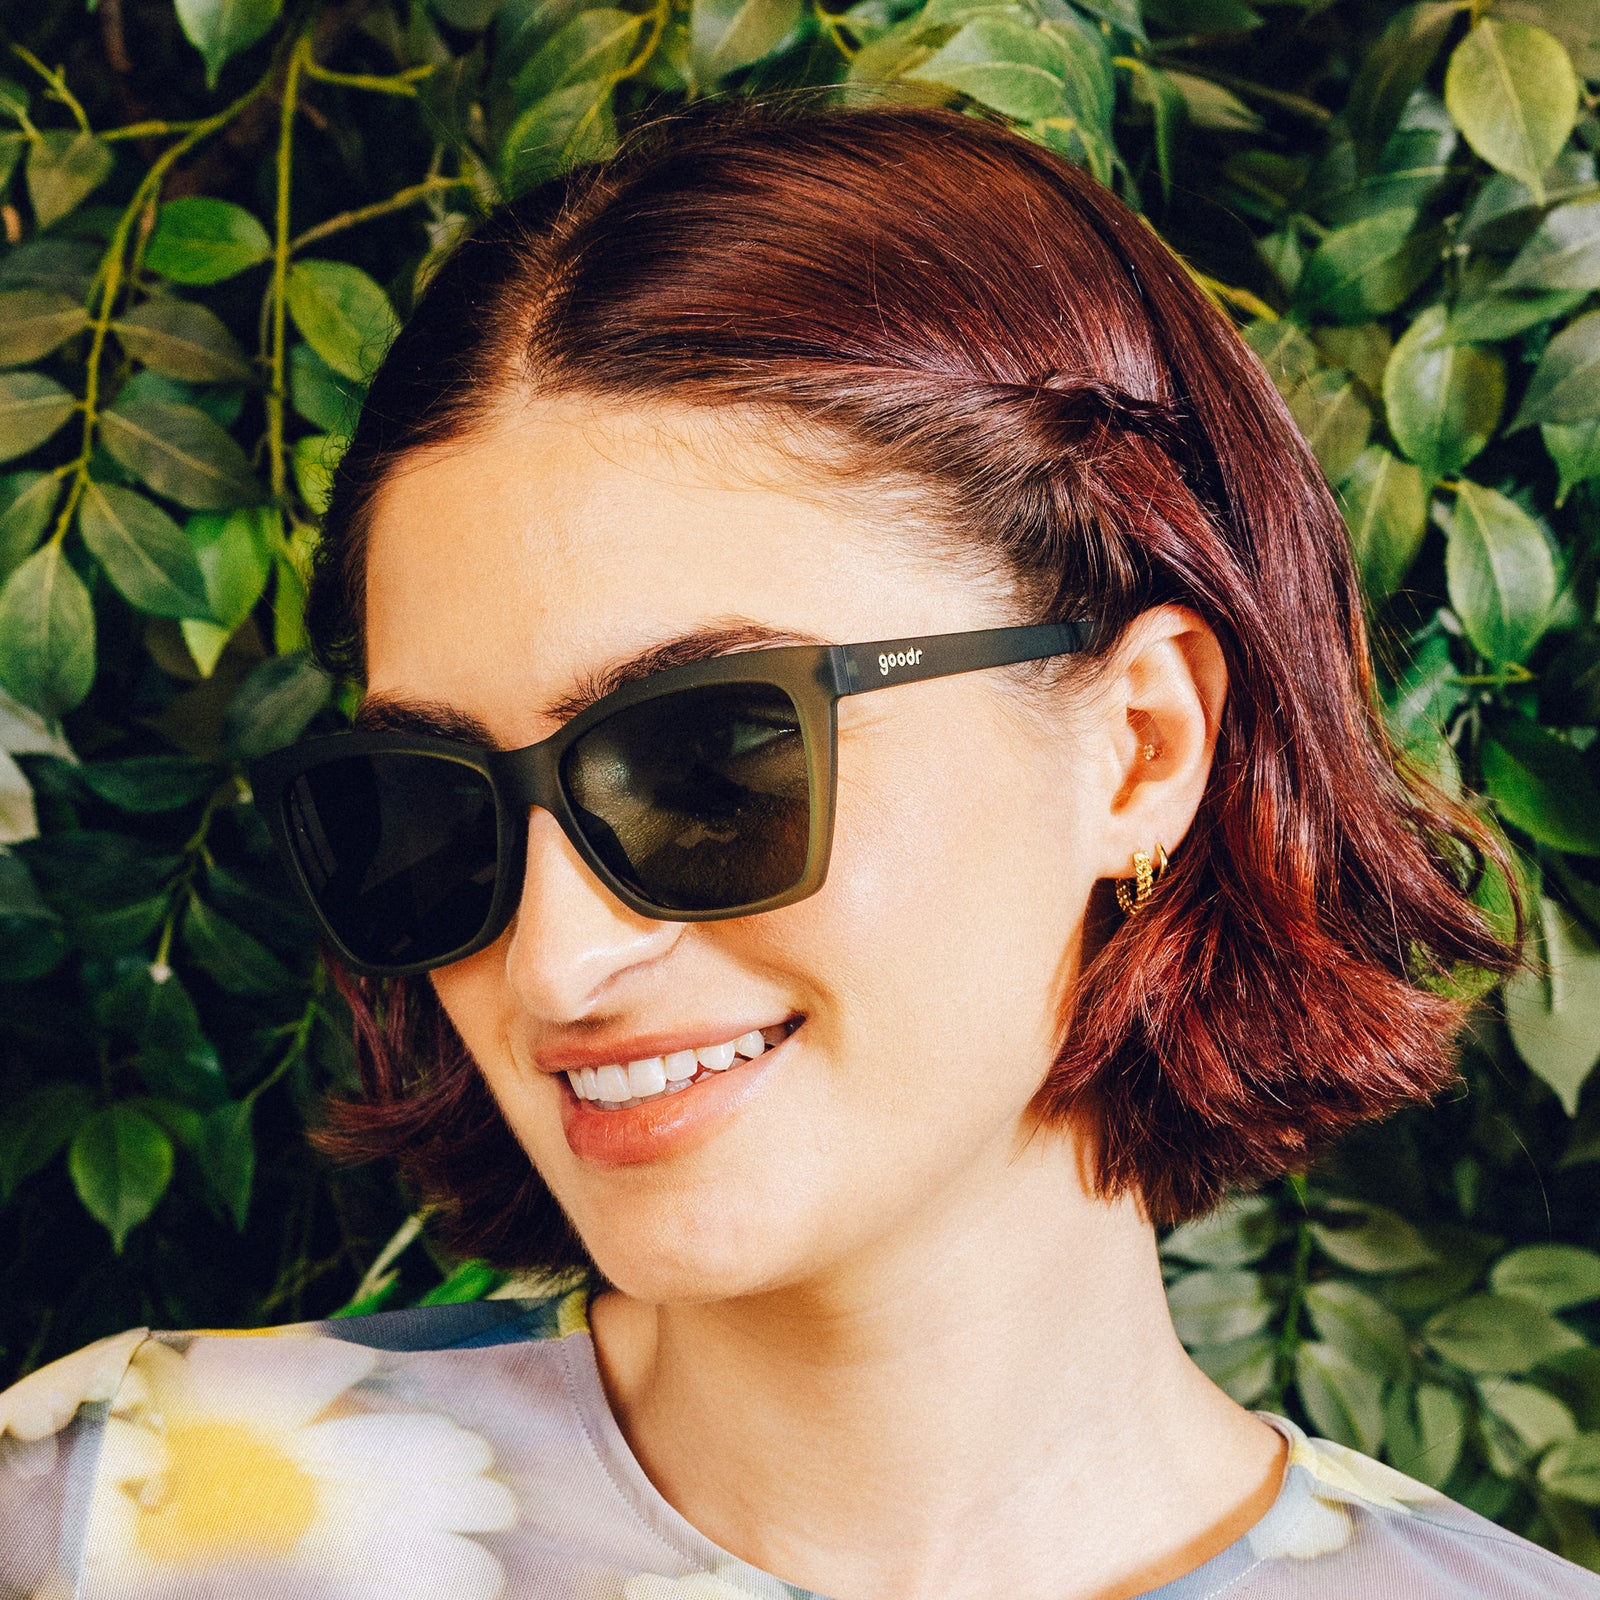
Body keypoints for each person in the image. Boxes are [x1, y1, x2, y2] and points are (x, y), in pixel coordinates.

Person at [1, 102, 1592, 1600]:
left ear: (1141, 745)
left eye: (712, 763)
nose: (554, 961)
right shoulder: (114, 1527)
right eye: (433, 807)